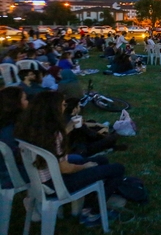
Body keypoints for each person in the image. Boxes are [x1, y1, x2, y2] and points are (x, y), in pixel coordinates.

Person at [15, 91, 125, 227]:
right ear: (53, 108)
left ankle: (90, 202)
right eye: (62, 104)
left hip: (40, 178)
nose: (64, 107)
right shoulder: (54, 133)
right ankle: (92, 214)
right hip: (56, 183)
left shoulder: (30, 127)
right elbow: (66, 168)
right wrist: (86, 166)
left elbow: (53, 151)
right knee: (118, 169)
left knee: (102, 160)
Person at [0, 87, 29, 188]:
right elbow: (25, 156)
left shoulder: (5, 123)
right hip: (15, 174)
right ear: (16, 104)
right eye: (25, 99)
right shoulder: (14, 129)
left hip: (5, 172)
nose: (28, 102)